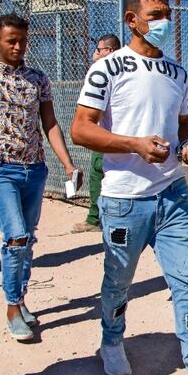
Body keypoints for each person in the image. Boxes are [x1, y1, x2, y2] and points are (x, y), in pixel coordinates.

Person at [70, 0, 188, 375]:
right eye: (154, 16)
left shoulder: (176, 72)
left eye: (167, 14)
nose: (164, 22)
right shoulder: (107, 69)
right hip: (125, 199)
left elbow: (182, 126)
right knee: (118, 280)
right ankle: (111, 341)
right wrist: (134, 144)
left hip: (173, 195)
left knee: (187, 283)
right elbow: (81, 129)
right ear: (132, 20)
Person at [0, 13, 78, 342]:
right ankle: (12, 305)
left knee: (28, 238)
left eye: (22, 40)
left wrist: (67, 162)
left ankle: (20, 298)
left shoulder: (38, 79)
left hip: (33, 169)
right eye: (11, 41)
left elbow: (49, 124)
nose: (18, 46)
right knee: (15, 235)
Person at [72, 33, 121, 234]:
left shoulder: (104, 68)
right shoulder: (126, 66)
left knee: (97, 173)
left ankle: (95, 219)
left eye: (99, 50)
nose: (95, 53)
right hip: (118, 134)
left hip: (106, 133)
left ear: (109, 51)